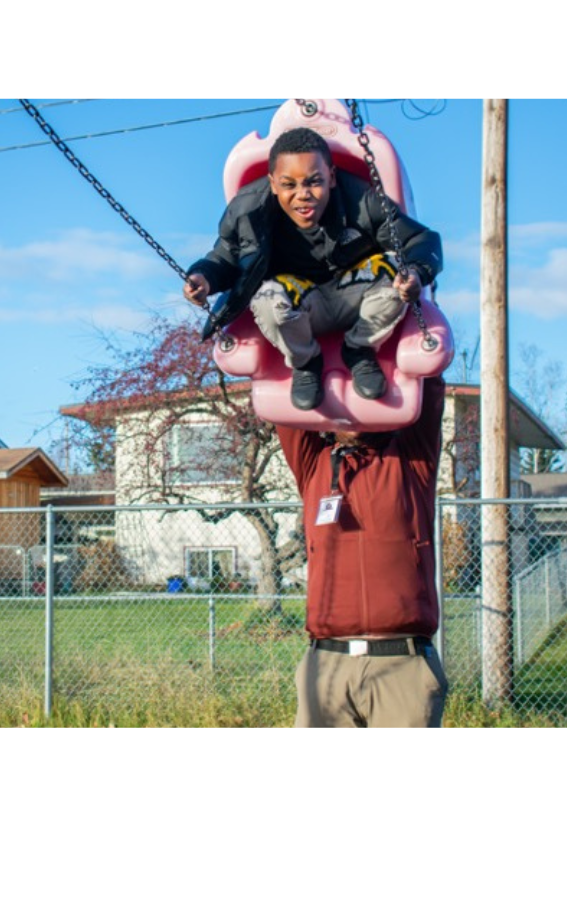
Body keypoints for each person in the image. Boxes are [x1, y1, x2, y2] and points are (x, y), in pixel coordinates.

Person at [185, 128, 442, 411]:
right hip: (301, 307)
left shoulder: (363, 201)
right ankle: (306, 361)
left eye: (314, 182)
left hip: (356, 300)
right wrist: (203, 278)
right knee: (267, 297)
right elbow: (226, 256)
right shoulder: (248, 212)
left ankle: (359, 348)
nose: (302, 195)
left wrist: (416, 273)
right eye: (289, 185)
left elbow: (419, 240)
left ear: (331, 177)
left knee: (396, 267)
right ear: (272, 184)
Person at [275, 376, 449, 727]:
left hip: (401, 666)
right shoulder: (314, 464)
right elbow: (285, 396)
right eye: (342, 392)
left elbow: (429, 386)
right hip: (327, 665)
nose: (349, 406)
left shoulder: (412, 459)